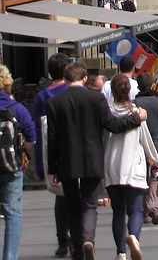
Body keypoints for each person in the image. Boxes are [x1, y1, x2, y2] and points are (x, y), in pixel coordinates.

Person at [47, 62, 146, 260]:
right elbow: (112, 125)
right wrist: (137, 119)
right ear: (84, 78)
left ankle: (77, 247)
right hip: (92, 158)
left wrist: (53, 168)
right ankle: (88, 238)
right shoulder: (96, 98)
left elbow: (52, 138)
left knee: (72, 205)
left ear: (65, 79)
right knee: (90, 203)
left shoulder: (55, 103)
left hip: (67, 160)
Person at [104, 74, 158, 260]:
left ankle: (121, 252)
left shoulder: (108, 113)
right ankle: (134, 239)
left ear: (112, 91)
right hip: (133, 168)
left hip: (112, 169)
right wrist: (156, 162)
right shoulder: (137, 113)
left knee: (118, 211)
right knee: (135, 209)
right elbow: (146, 141)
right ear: (129, 91)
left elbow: (103, 140)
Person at [33, 53, 72, 257]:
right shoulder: (74, 91)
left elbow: (39, 131)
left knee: (61, 198)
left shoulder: (42, 97)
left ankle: (63, 240)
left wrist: (42, 165)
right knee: (77, 197)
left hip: (53, 150)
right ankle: (76, 239)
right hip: (74, 149)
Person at [0, 65, 36, 260]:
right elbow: (32, 137)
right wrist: (21, 153)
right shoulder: (17, 109)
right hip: (12, 166)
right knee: (12, 213)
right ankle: (9, 257)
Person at [134, 73, 158, 226]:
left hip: (139, 144)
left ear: (138, 87)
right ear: (153, 85)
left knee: (142, 178)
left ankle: (144, 212)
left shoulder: (134, 103)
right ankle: (154, 207)